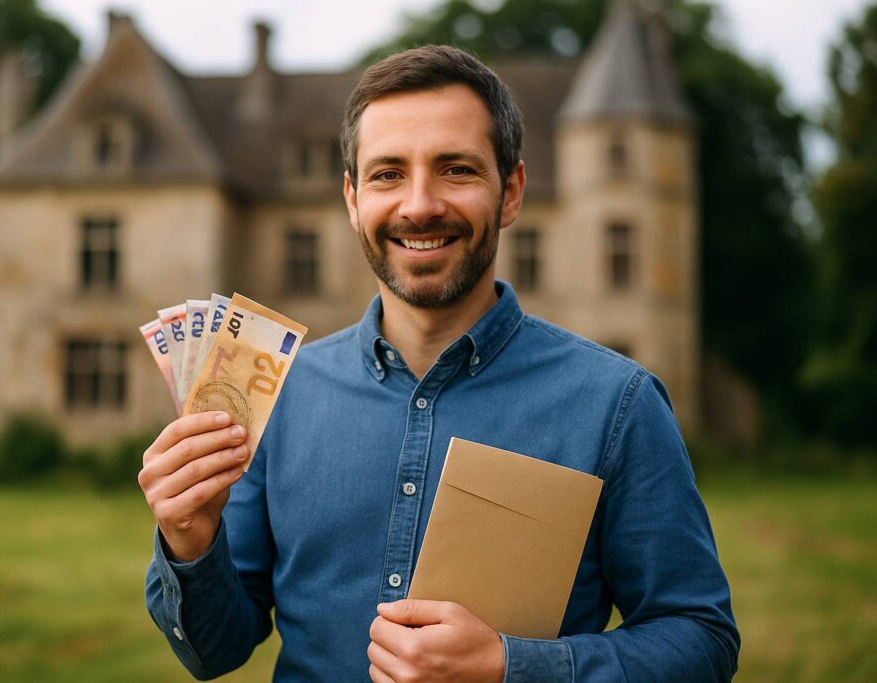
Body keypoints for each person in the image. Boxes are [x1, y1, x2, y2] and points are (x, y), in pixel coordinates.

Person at [140, 45, 739, 682]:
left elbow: (700, 641)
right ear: (351, 199)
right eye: (388, 174)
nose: (419, 205)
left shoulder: (615, 402)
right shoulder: (279, 396)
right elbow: (215, 649)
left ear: (511, 193)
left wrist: (516, 667)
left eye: (455, 170)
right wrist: (190, 541)